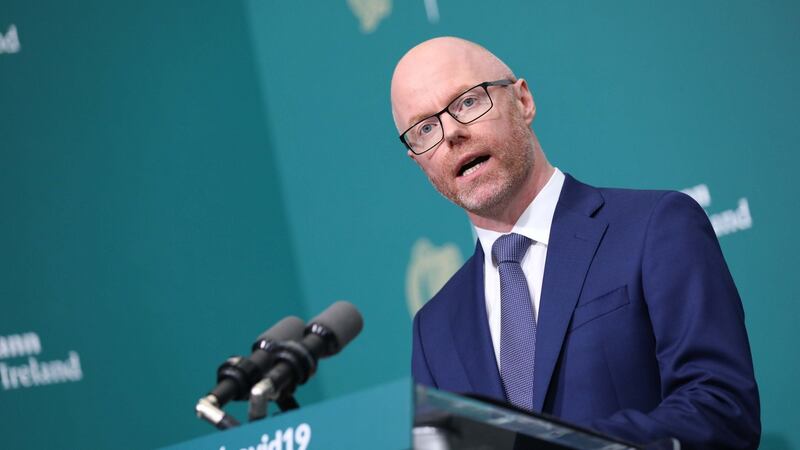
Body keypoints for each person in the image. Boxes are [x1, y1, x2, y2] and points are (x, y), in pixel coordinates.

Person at [391, 37, 760, 449]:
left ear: (523, 101)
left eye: (467, 102)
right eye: (425, 128)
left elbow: (721, 409)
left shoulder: (656, 227)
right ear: (418, 161)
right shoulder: (435, 327)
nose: (452, 134)